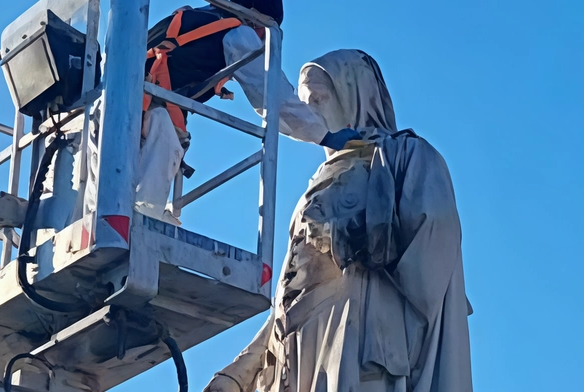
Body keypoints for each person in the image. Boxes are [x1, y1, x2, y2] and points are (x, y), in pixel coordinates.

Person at [203, 49, 473, 392]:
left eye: (318, 98)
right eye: (304, 101)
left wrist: (352, 237)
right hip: (304, 357)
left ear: (354, 94)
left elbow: (433, 245)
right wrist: (240, 371)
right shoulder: (315, 187)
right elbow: (291, 298)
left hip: (362, 347)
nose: (310, 111)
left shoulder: (404, 156)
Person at [135, 0, 361, 223]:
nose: (263, 40)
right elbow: (274, 97)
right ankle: (145, 222)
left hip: (108, 110)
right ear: (256, 16)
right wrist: (325, 135)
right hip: (151, 116)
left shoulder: (189, 18)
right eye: (266, 30)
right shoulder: (238, 32)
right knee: (144, 211)